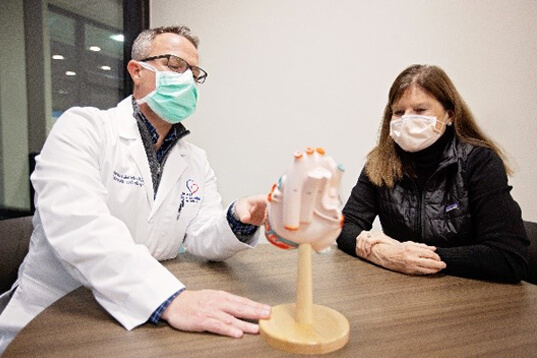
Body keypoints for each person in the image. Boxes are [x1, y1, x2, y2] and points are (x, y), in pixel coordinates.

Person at [0, 25, 271, 353]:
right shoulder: (83, 129)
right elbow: (81, 228)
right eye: (173, 64)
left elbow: (200, 235)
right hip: (60, 312)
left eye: (195, 73)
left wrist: (238, 218)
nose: (187, 79)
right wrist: (170, 299)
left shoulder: (195, 160)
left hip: (144, 317)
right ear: (136, 70)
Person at [336, 64, 529, 283]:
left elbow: (509, 257)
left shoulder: (478, 162)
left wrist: (415, 258)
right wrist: (382, 252)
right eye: (399, 112)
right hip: (405, 291)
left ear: (449, 115)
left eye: (420, 110)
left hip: (469, 294)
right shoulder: (380, 163)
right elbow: (344, 226)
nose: (407, 119)